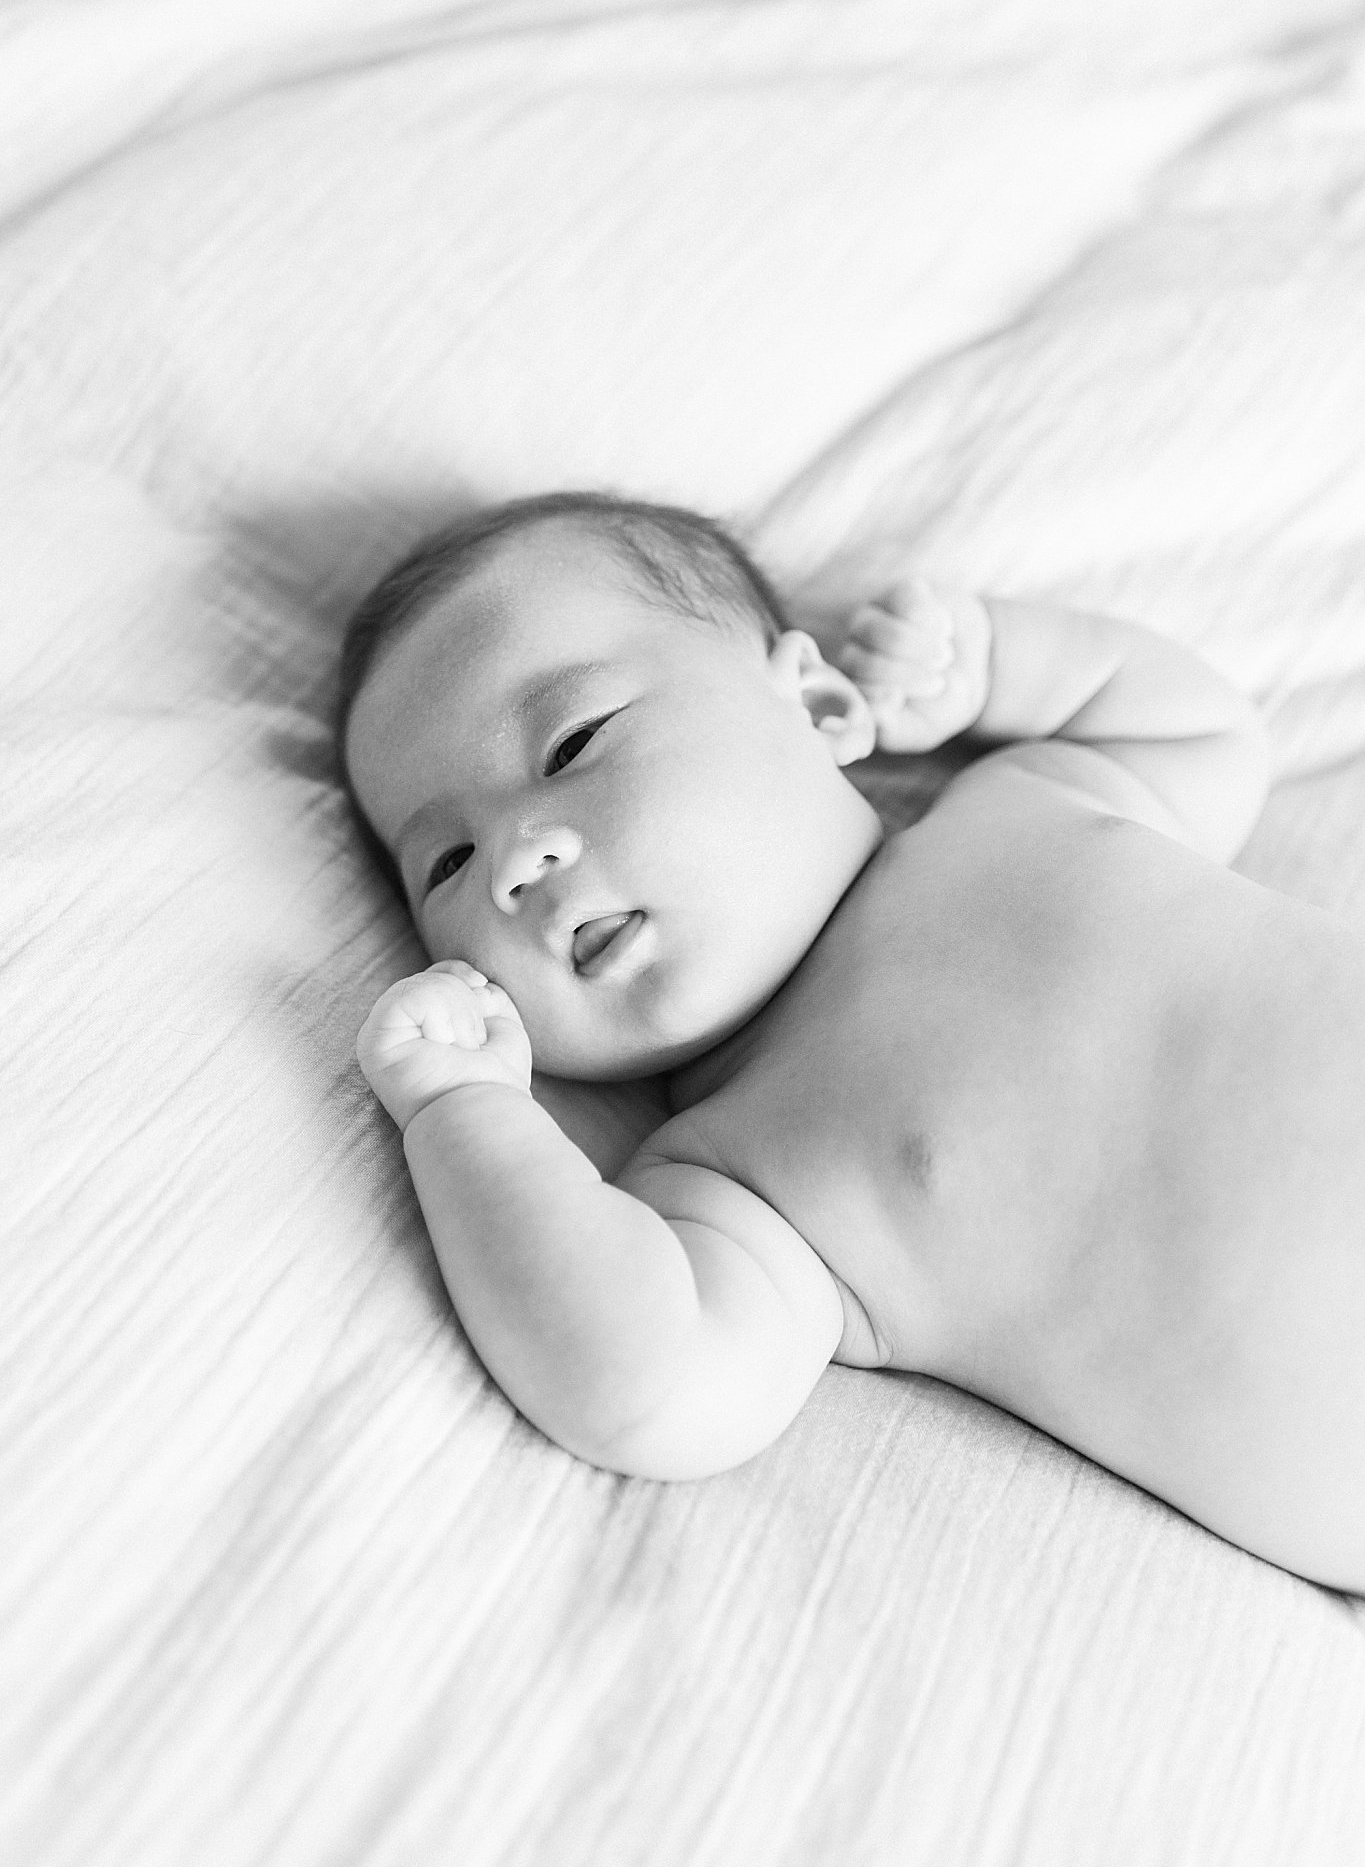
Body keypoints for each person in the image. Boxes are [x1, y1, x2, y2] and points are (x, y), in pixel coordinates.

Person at [340, 492, 1365, 1591]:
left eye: (572, 740)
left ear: (819, 704)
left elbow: (1202, 730)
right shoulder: (738, 1182)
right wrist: (466, 1114)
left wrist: (989, 661)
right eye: (444, 862)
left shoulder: (1024, 795)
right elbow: (640, 1382)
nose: (511, 856)